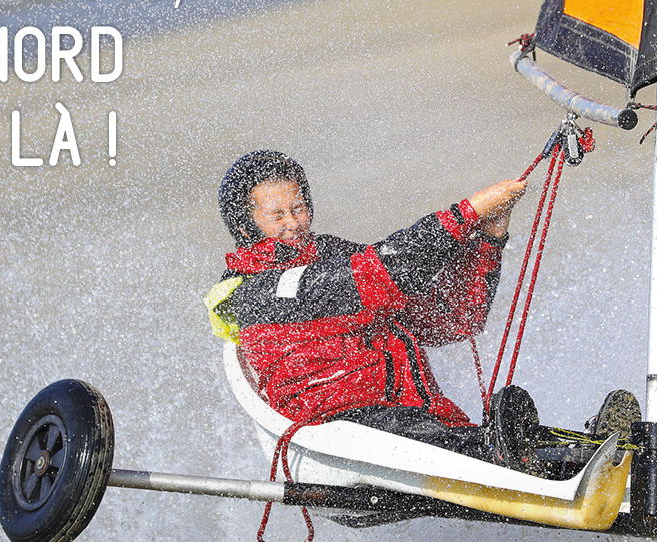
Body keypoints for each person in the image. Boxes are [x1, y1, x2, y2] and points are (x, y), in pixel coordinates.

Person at [206, 149, 540, 468]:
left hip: (420, 425)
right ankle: (500, 455)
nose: (293, 223)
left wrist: (488, 238)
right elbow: (377, 274)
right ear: (244, 227)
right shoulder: (252, 291)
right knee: (442, 437)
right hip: (339, 433)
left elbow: (453, 318)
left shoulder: (331, 255)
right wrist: (468, 213)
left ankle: (555, 454)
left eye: (298, 208)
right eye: (277, 215)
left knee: (496, 443)